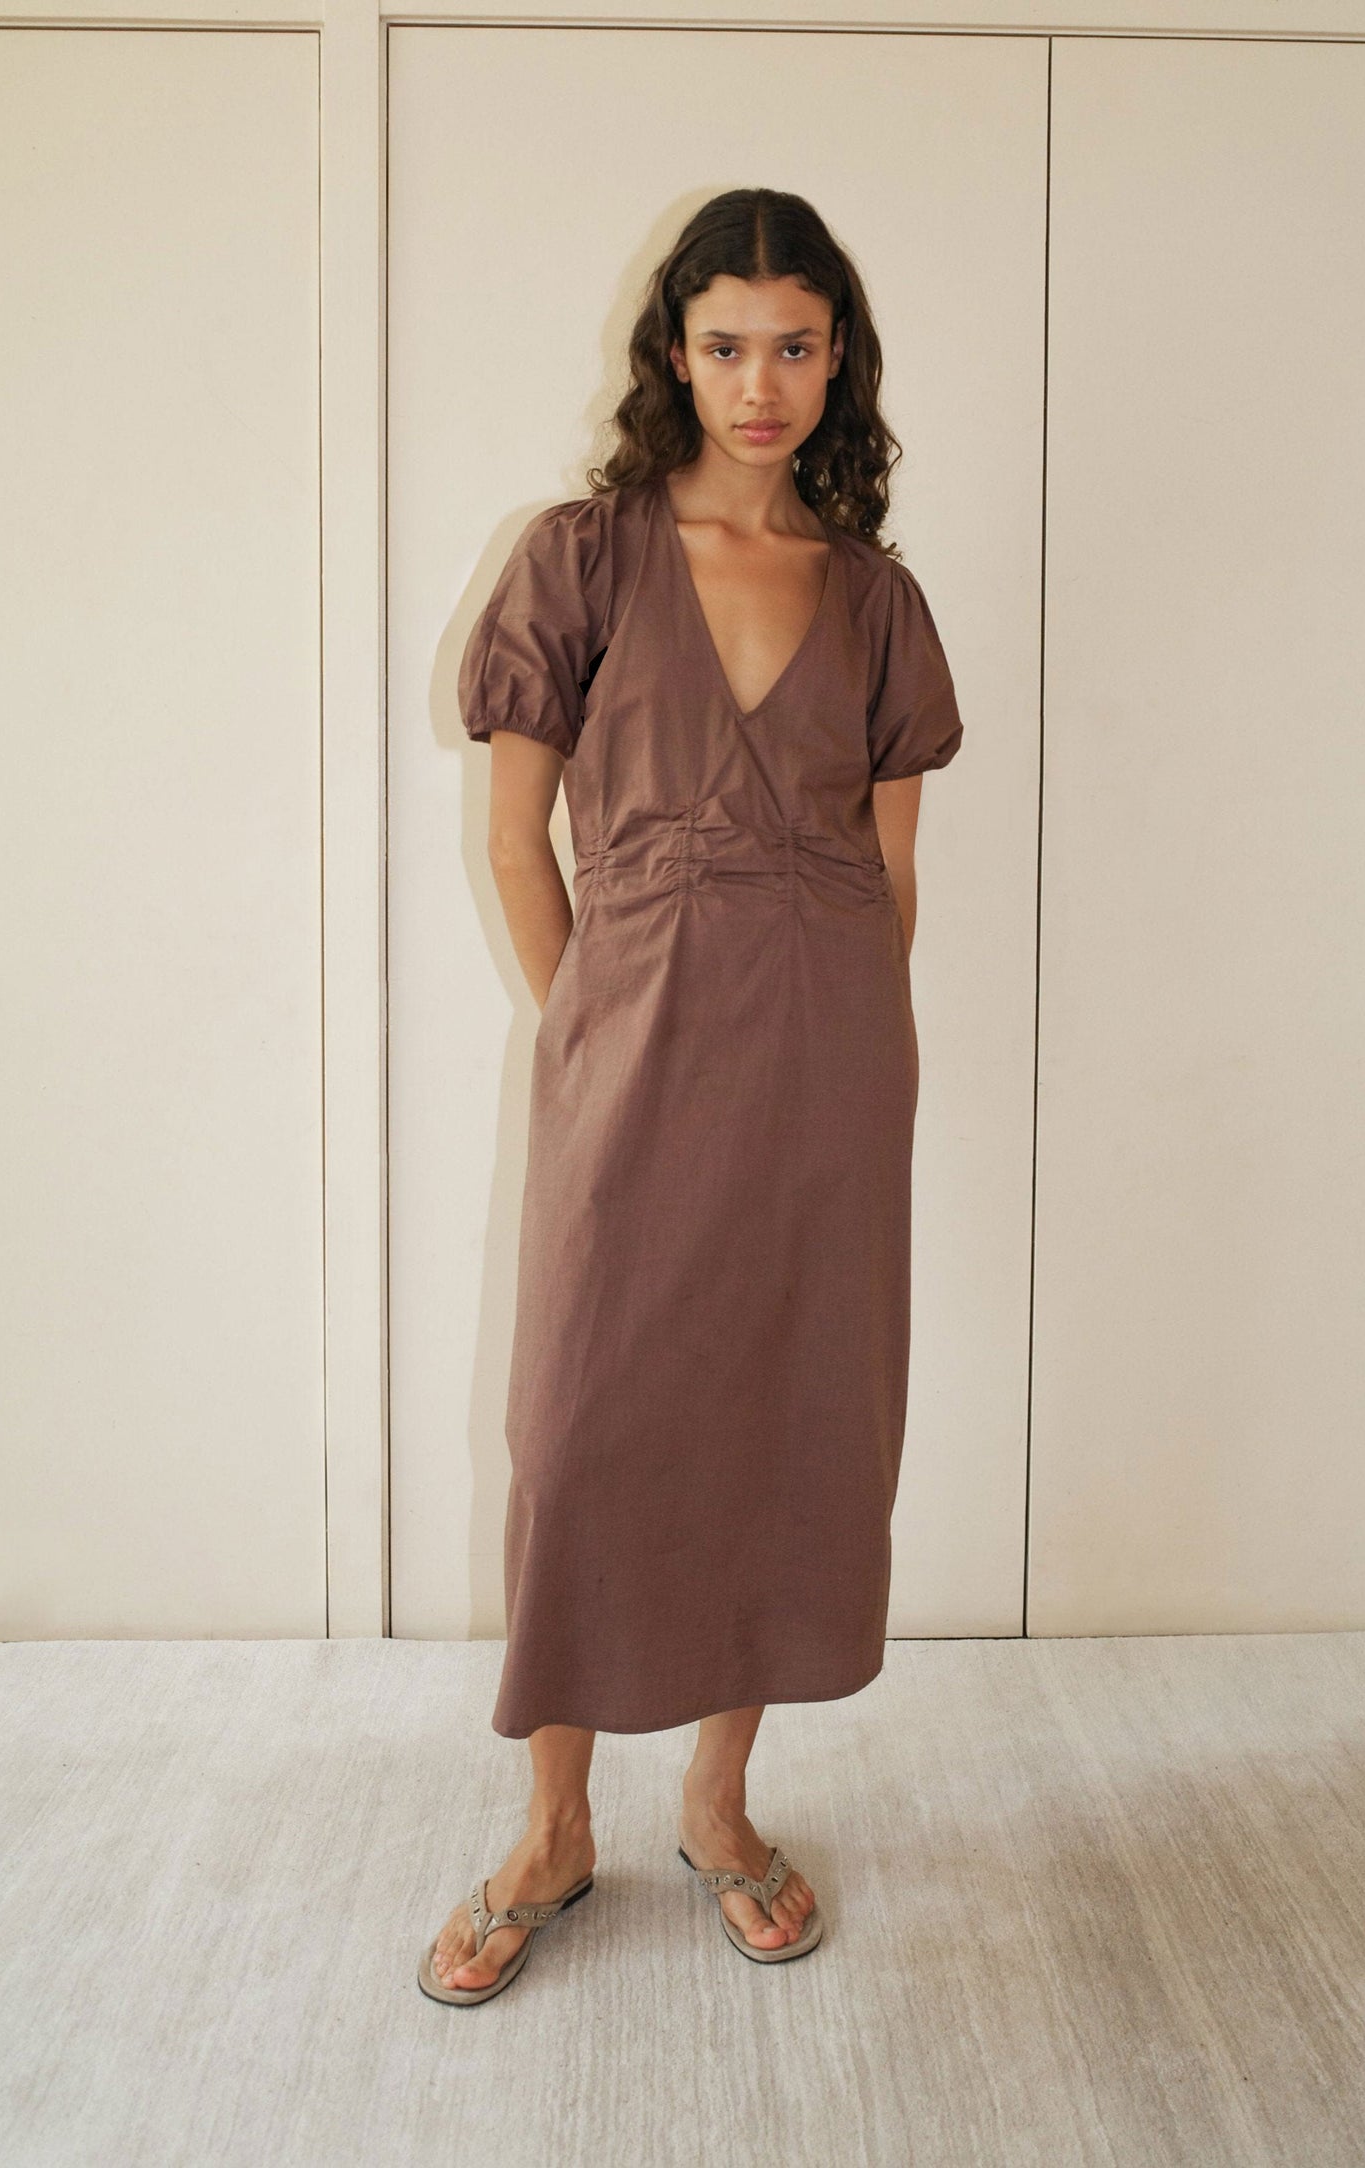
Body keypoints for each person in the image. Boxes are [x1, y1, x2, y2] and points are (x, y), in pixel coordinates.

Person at [419, 188, 964, 2005]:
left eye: (795, 346)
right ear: (674, 351)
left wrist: (853, 1065)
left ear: (837, 361)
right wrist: (595, 1024)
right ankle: (553, 1826)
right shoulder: (578, 559)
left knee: (782, 1421)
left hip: (825, 1064)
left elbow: (890, 884)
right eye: (726, 344)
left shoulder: (875, 600)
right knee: (580, 1428)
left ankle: (719, 1807)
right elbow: (513, 839)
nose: (760, 382)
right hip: (629, 1048)